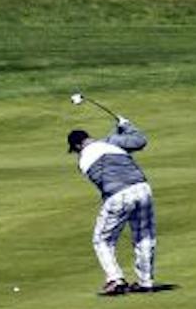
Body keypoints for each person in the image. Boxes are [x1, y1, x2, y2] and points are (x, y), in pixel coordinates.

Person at [67, 116, 156, 296]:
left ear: (77, 147)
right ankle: (146, 282)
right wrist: (126, 125)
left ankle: (115, 280)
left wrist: (120, 130)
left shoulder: (83, 160)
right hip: (143, 188)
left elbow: (105, 151)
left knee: (102, 240)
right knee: (144, 235)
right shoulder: (112, 143)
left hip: (118, 195)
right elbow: (139, 141)